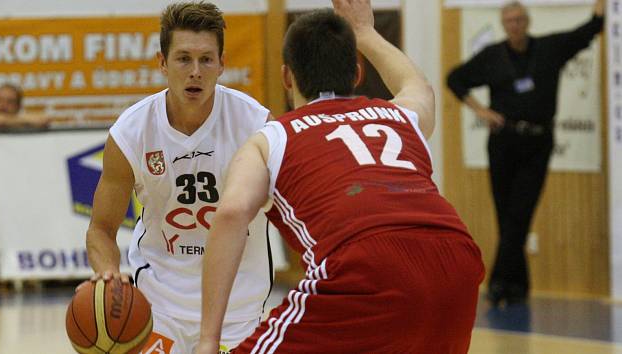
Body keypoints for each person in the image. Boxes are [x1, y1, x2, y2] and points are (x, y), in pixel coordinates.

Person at [196, 1, 485, 353]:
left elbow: (230, 214)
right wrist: (366, 32)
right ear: (358, 73)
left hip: (365, 262)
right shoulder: (398, 116)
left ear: (288, 77)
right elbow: (418, 86)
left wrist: (208, 341)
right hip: (457, 260)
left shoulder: (272, 138)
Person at [83, 2, 274, 353]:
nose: (196, 72)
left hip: (239, 305)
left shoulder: (256, 126)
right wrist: (107, 273)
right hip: (159, 304)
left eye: (206, 60)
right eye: (184, 58)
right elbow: (101, 228)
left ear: (222, 64)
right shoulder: (131, 132)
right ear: (162, 63)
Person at [447, 0, 604, 306]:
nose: (514, 25)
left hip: (537, 143)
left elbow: (587, 31)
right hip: (503, 142)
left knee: (520, 213)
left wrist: (601, 9)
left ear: (527, 21)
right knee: (506, 216)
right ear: (504, 25)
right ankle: (517, 286)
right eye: (509, 21)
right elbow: (456, 79)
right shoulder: (493, 56)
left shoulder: (549, 49)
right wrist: (482, 110)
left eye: (519, 20)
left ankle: (496, 283)